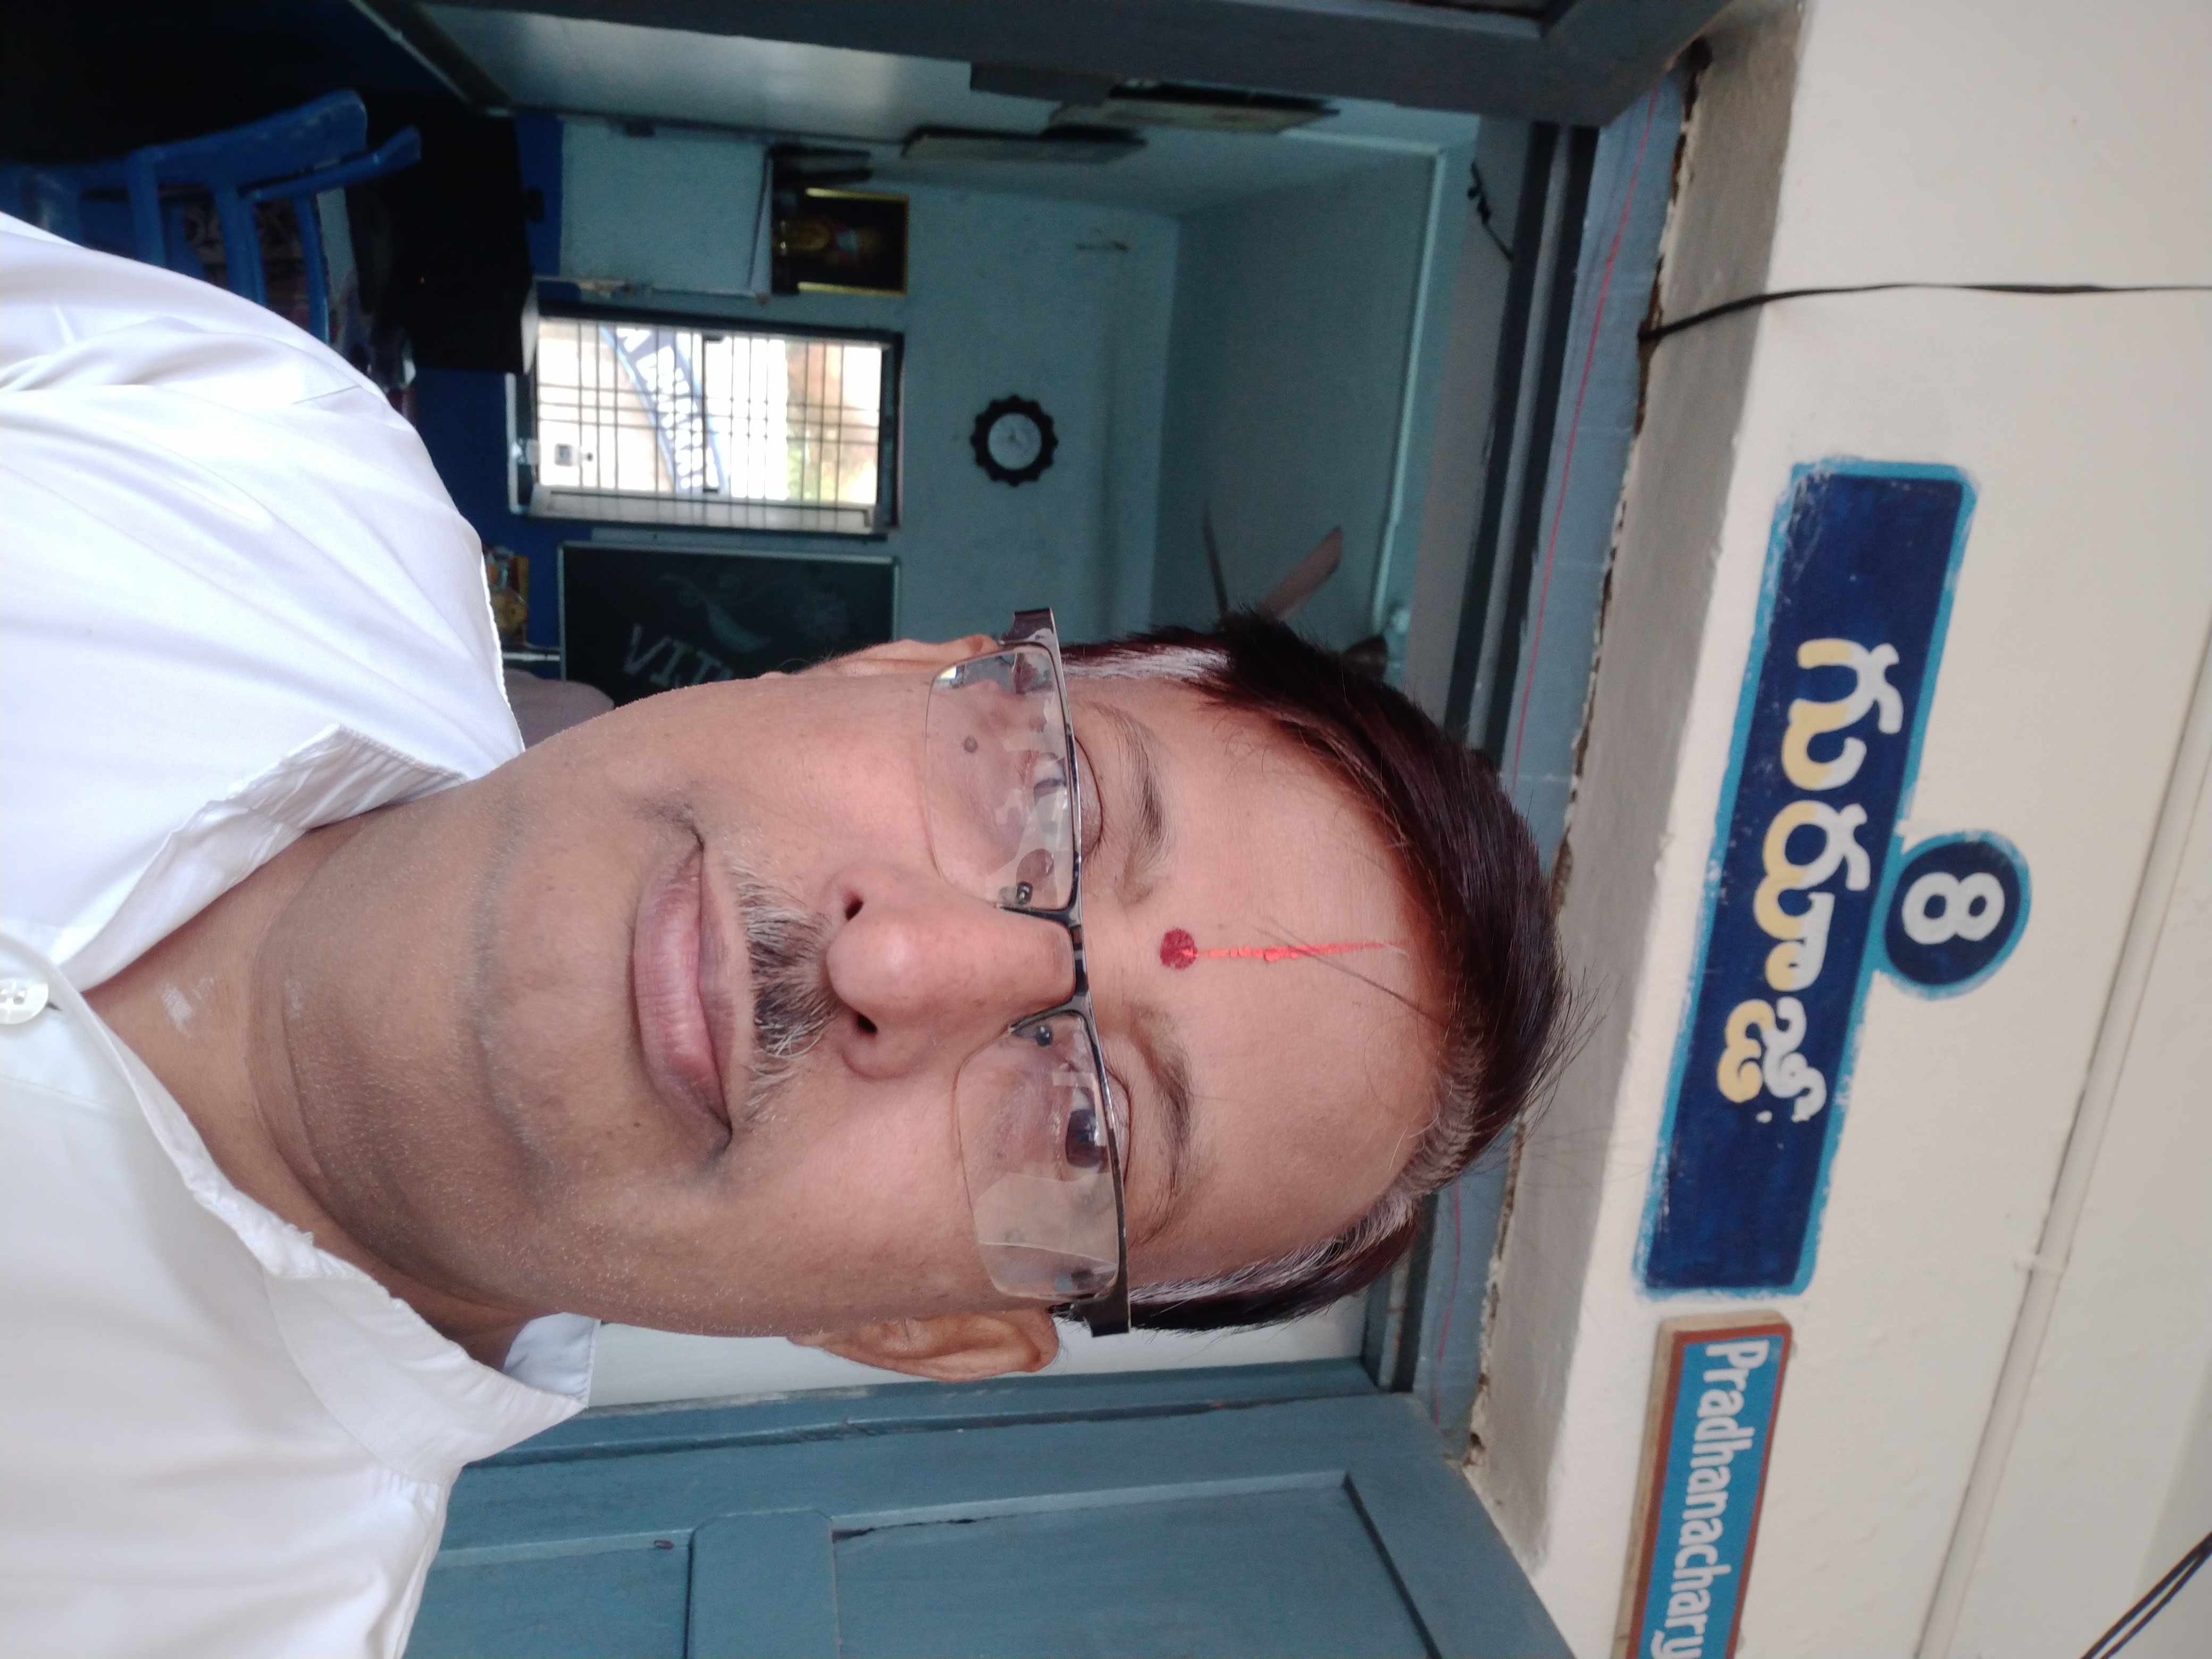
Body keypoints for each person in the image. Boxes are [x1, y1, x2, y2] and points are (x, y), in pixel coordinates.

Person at [0, 212, 1566, 1655]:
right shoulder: (248, 445)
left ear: (922, 1329)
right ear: (887, 669)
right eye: (1059, 799)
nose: (899, 963)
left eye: (1090, 1126)